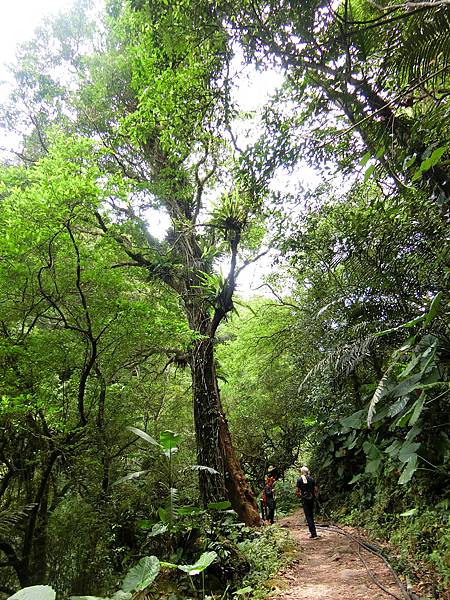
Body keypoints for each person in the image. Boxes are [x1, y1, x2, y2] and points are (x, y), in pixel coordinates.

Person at [296, 466, 319, 538]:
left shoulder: (299, 480)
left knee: (308, 516)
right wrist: (313, 495)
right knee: (311, 514)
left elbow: (297, 491)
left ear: (302, 472)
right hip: (311, 498)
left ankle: (313, 533)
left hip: (305, 499)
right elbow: (316, 489)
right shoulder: (311, 479)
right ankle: (313, 532)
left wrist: (301, 496)